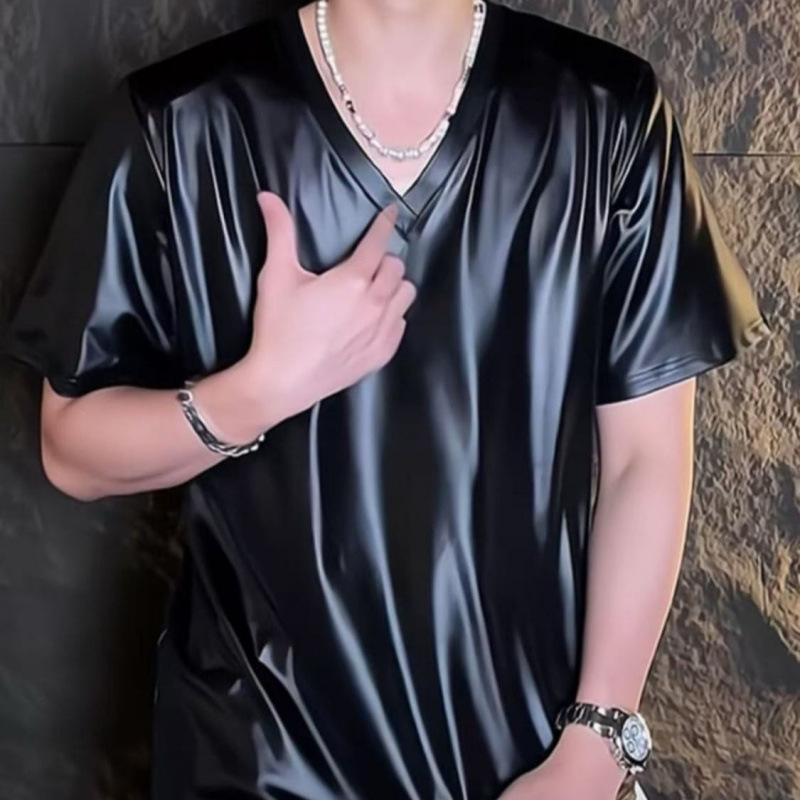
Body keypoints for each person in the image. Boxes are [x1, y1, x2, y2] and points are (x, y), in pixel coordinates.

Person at [0, 0, 772, 799]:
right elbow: (71, 448)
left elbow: (646, 459)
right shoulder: (178, 121)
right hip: (257, 763)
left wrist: (596, 746)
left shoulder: (609, 114)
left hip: (532, 762)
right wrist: (258, 391)